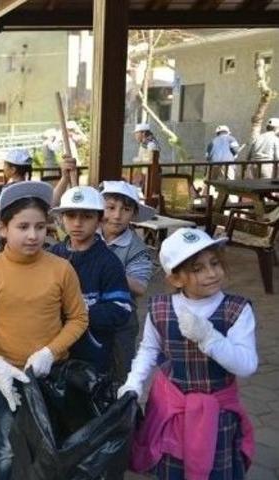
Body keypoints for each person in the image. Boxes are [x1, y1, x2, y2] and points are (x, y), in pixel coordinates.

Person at [0, 181, 88, 480]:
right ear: (3, 228)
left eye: (40, 226)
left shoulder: (61, 269)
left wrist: (50, 351)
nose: (33, 235)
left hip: (52, 375)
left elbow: (78, 319)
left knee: (51, 445)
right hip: (8, 377)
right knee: (7, 447)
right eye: (23, 227)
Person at [119, 228, 257, 480]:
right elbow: (149, 349)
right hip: (171, 411)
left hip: (217, 415)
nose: (212, 273)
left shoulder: (237, 309)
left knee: (217, 471)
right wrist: (133, 384)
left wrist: (209, 337)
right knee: (172, 469)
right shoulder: (160, 308)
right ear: (176, 279)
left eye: (215, 263)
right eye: (198, 268)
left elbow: (246, 365)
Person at [48, 186, 133, 373]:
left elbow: (121, 308)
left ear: (99, 220)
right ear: (61, 219)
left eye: (86, 216)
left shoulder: (108, 262)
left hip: (92, 357)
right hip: (53, 353)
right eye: (70, 216)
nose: (77, 223)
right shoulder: (51, 256)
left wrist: (77, 312)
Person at [99, 180, 156, 383]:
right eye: (110, 208)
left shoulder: (137, 249)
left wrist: (104, 267)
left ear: (133, 214)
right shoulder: (88, 232)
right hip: (86, 313)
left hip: (121, 321)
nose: (117, 215)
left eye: (126, 209)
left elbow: (140, 286)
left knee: (120, 373)